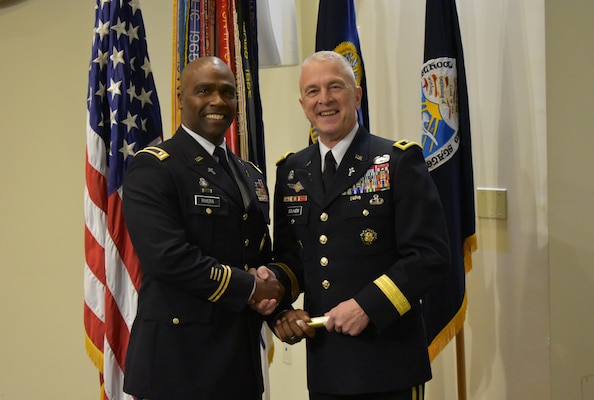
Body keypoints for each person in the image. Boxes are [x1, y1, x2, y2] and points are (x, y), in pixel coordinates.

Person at [267, 51, 451, 400]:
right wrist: (279, 310)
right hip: (325, 365)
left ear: (357, 95)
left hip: (387, 362)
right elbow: (291, 259)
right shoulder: (291, 171)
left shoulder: (397, 160)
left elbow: (430, 256)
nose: (325, 99)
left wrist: (369, 305)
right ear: (303, 104)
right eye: (313, 91)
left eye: (335, 86)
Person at [121, 56, 282, 400]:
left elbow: (259, 254)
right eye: (204, 91)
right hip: (177, 365)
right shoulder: (154, 167)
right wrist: (252, 287)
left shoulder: (249, 174)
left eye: (228, 92)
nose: (217, 102)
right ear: (180, 98)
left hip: (238, 360)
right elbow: (167, 257)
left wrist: (278, 296)